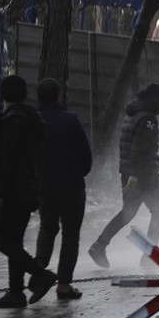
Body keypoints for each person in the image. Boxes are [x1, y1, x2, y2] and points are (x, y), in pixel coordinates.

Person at [0, 75, 58, 308]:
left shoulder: (14, 121)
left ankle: (42, 275)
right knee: (13, 239)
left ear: (4, 95)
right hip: (30, 189)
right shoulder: (30, 119)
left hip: (16, 192)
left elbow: (8, 161)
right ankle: (16, 293)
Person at [88, 83, 159, 268]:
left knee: (128, 213)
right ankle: (149, 256)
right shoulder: (148, 119)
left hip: (132, 172)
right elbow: (139, 149)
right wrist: (135, 176)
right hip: (144, 175)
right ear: (154, 99)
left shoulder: (133, 115)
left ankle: (99, 245)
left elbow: (142, 147)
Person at [34, 78, 92, 300]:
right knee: (70, 236)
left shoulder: (34, 122)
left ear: (39, 97)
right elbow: (86, 157)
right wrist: (79, 173)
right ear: (59, 95)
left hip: (45, 188)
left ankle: (39, 274)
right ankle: (64, 286)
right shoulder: (71, 120)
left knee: (47, 229)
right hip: (72, 188)